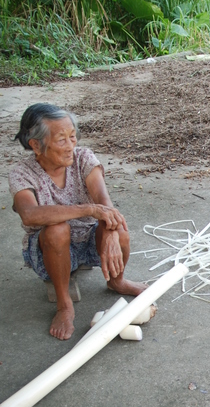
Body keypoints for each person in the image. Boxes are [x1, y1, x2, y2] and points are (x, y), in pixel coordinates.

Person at [9, 103, 146, 341]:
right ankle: (65, 306)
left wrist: (111, 230)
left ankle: (117, 281)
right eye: (61, 140)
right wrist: (89, 209)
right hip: (49, 250)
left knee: (119, 228)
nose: (71, 146)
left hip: (88, 239)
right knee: (56, 230)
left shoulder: (83, 158)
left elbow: (105, 204)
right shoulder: (22, 173)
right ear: (36, 145)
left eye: (73, 137)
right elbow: (30, 214)